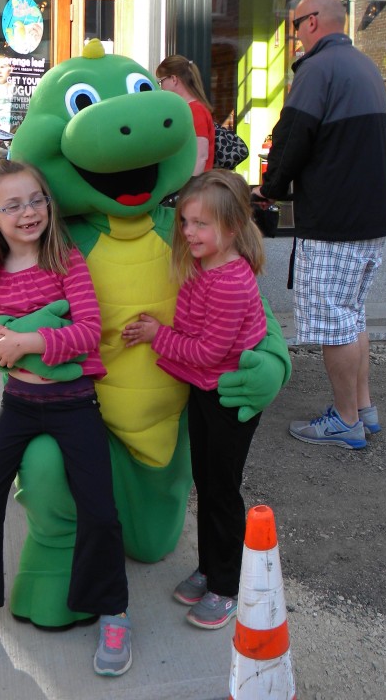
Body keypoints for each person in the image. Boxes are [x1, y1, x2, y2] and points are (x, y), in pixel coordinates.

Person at [0, 158, 131, 676]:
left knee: (100, 511)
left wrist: (29, 341)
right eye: (13, 204)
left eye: (36, 199)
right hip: (18, 406)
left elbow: (89, 330)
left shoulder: (65, 260)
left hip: (74, 404)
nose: (29, 211)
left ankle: (113, 611)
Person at [252, 0, 386, 449]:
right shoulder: (365, 66)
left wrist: (268, 190)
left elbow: (292, 137)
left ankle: (347, 420)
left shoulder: (317, 69)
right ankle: (365, 409)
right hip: (369, 219)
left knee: (334, 323)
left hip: (334, 222)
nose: (294, 36)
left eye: (295, 25)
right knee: (352, 318)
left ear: (312, 21)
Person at [123, 169, 267, 631]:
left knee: (222, 490)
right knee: (206, 484)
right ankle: (210, 567)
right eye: (185, 222)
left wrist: (155, 336)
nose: (188, 232)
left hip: (227, 399)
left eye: (201, 224)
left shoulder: (229, 280)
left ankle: (227, 587)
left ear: (231, 228)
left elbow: (208, 350)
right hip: (206, 391)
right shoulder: (203, 265)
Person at [155, 55, 215, 176]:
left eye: (161, 81)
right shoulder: (191, 109)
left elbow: (200, 156)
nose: (161, 87)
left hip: (192, 187)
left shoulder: (195, 110)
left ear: (173, 79)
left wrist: (189, 187)